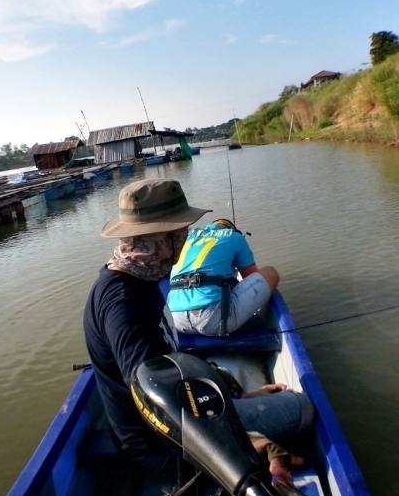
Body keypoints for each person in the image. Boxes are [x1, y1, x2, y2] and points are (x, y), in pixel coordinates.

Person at [83, 178, 311, 480]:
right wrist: (254, 443)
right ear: (162, 238)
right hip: (164, 446)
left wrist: (235, 394)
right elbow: (157, 404)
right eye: (181, 231)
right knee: (300, 409)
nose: (186, 236)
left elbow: (172, 366)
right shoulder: (125, 304)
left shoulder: (137, 279)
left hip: (178, 420)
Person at [167, 218, 279, 337]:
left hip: (174, 319)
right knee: (270, 273)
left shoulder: (187, 237)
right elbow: (251, 277)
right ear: (231, 228)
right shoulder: (235, 237)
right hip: (210, 321)